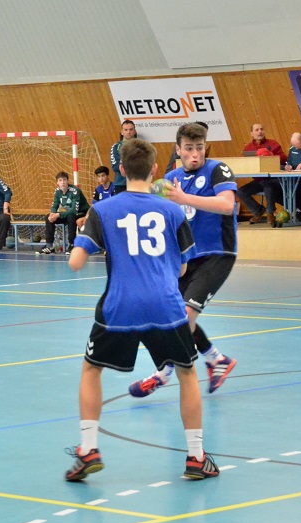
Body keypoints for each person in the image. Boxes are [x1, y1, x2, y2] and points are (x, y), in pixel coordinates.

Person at [64, 138, 218, 482]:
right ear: (154, 171)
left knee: (91, 370)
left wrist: (84, 233)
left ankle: (88, 449)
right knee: (187, 373)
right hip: (166, 306)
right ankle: (195, 457)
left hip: (120, 306)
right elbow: (181, 270)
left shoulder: (102, 210)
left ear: (120, 170)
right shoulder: (173, 210)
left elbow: (76, 263)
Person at [130, 122, 238, 397]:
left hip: (217, 254)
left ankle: (163, 374)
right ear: (178, 150)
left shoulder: (217, 169)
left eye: (199, 148)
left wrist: (182, 197)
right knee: (165, 314)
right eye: (189, 148)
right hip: (186, 258)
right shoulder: (171, 177)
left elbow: (227, 205)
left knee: (185, 315)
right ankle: (216, 359)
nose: (195, 154)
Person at [236, 123, 287, 226]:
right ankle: (258, 210)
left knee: (269, 186)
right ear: (252, 133)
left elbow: (284, 159)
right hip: (258, 180)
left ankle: (270, 213)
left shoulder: (273, 144)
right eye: (257, 130)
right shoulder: (248, 148)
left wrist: (270, 156)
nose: (260, 131)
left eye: (261, 129)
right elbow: (243, 162)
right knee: (240, 191)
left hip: (272, 179)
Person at [40, 170, 88, 255]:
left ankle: (72, 244)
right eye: (60, 180)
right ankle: (49, 246)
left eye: (64, 180)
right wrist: (52, 214)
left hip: (81, 213)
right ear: (57, 183)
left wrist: (58, 214)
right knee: (48, 217)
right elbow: (55, 205)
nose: (62, 182)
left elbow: (74, 210)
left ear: (68, 181)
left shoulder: (75, 191)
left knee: (71, 216)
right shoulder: (58, 192)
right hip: (68, 213)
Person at [109, 120, 136, 194]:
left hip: (137, 183)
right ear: (122, 132)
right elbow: (115, 167)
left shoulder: (141, 146)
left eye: (131, 129)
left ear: (134, 131)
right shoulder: (116, 147)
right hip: (121, 184)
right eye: (126, 130)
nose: (128, 132)